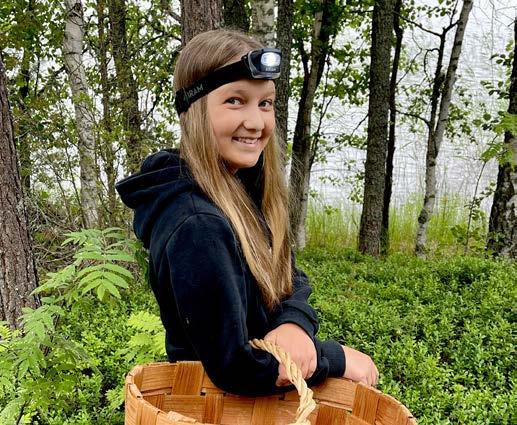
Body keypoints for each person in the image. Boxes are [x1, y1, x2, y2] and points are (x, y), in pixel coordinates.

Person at [116, 29, 378, 396]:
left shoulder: (239, 187)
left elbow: (287, 276)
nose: (256, 122)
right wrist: (332, 358)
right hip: (217, 409)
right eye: (235, 101)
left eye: (265, 103)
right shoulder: (198, 223)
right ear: (194, 109)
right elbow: (235, 368)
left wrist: (294, 324)